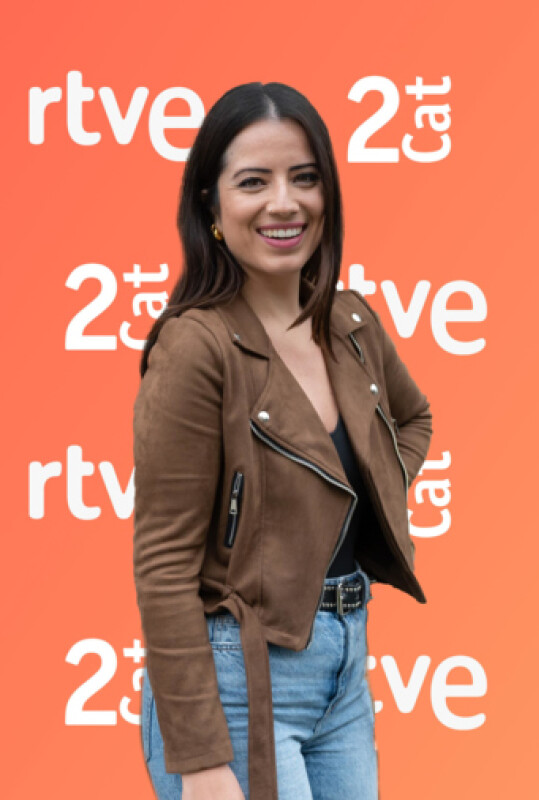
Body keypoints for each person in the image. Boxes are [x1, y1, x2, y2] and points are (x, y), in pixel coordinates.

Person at [133, 81, 433, 800]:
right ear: (210, 206)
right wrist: (201, 759)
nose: (284, 202)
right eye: (253, 182)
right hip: (237, 676)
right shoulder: (196, 347)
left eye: (305, 177)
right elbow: (164, 564)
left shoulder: (350, 322)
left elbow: (413, 419)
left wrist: (348, 498)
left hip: (344, 666)